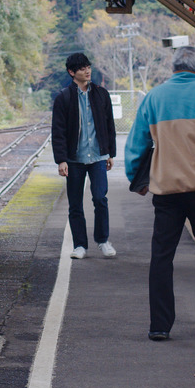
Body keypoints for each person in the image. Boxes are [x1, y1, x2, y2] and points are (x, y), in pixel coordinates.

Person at [124, 46, 195, 341]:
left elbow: (136, 143)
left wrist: (136, 178)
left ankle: (159, 325)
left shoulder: (154, 98)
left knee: (161, 256)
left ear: (174, 70)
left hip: (165, 191)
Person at [51, 52, 118, 260]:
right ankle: (80, 245)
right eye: (82, 68)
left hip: (98, 156)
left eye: (88, 67)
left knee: (100, 198)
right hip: (74, 159)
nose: (87, 71)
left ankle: (103, 240)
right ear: (72, 72)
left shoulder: (101, 94)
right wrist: (61, 159)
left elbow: (109, 125)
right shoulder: (64, 97)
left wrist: (110, 153)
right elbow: (58, 131)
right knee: (75, 204)